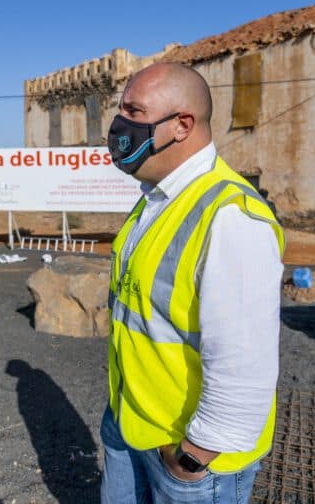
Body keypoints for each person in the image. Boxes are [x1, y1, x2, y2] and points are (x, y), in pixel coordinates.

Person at [101, 63, 285, 503]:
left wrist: (191, 460)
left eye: (134, 110)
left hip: (188, 460)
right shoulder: (156, 200)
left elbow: (245, 364)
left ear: (182, 125)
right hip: (132, 425)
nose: (118, 124)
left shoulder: (231, 216)